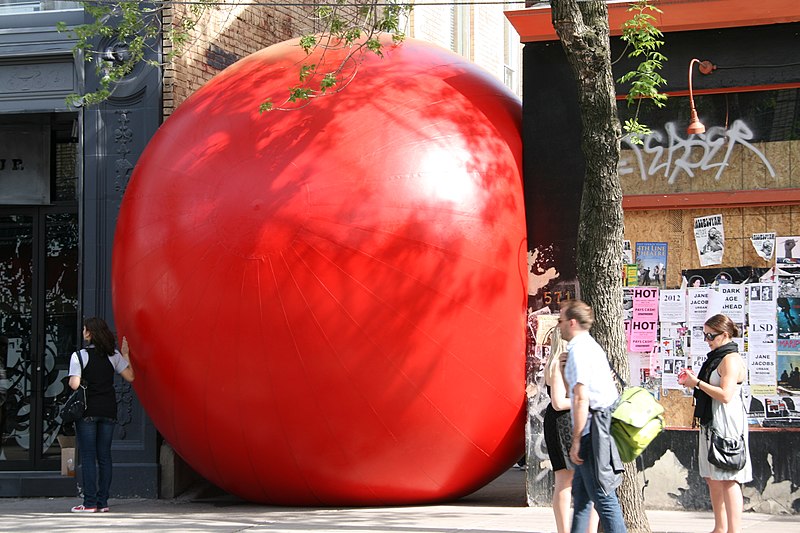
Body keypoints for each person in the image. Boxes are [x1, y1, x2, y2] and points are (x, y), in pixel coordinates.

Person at [681, 314, 751, 533]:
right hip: (711, 421)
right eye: (705, 335)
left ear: (725, 334)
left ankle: (733, 530)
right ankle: (719, 527)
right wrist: (694, 383)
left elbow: (726, 395)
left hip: (726, 422)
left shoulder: (730, 358)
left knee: (729, 477)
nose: (707, 340)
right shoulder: (716, 358)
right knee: (712, 477)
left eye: (711, 335)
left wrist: (698, 383)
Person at [559, 300, 625, 533]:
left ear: (572, 322)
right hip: (599, 425)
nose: (559, 326)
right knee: (583, 497)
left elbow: (580, 398)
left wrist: (577, 439)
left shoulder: (579, 350)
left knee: (602, 496)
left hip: (593, 430)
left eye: (561, 321)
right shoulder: (591, 346)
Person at [68, 317, 134, 513]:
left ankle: (89, 503)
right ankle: (102, 502)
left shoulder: (78, 356)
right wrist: (126, 355)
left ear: (89, 333)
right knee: (104, 456)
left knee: (88, 456)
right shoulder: (113, 355)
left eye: (84, 330)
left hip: (87, 411)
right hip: (108, 410)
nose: (83, 332)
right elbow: (130, 377)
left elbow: (73, 384)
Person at [543, 327, 599, 533]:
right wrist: (587, 399)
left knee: (573, 481)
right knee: (565, 481)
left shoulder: (563, 363)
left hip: (571, 421)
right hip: (564, 422)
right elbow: (558, 402)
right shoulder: (559, 364)